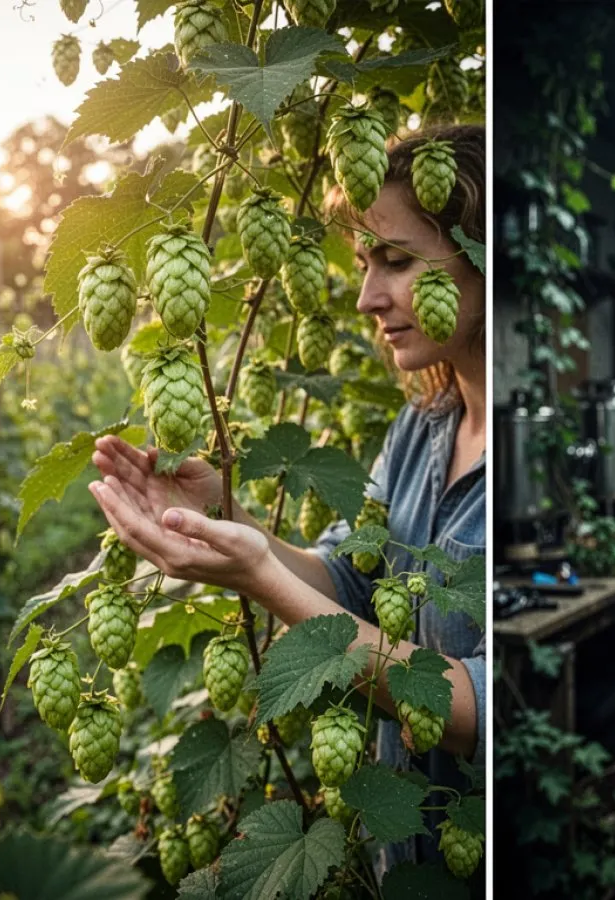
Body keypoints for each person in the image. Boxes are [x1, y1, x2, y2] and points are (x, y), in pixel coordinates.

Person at [88, 124, 486, 877]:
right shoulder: (420, 429)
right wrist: (228, 523)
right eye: (366, 264)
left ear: (481, 253)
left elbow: (475, 708)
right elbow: (349, 583)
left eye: (396, 262)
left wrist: (255, 578)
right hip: (398, 852)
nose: (368, 297)